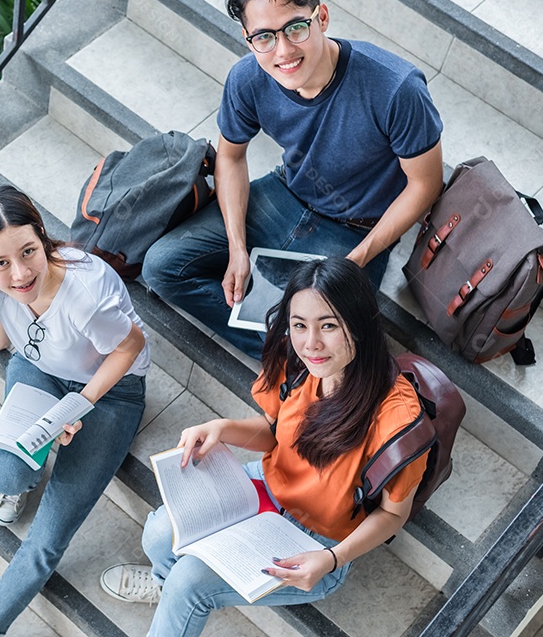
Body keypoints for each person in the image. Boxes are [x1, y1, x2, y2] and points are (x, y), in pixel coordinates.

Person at [100, 257, 428, 636]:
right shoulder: (296, 359)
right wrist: (222, 428)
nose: (312, 343)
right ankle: (167, 587)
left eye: (329, 326)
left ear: (359, 325)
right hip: (270, 487)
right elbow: (277, 432)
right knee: (159, 533)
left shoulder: (398, 419)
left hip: (319, 540)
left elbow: (392, 515)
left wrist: (330, 559)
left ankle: (180, 593)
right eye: (299, 325)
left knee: (190, 582)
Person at [141, 0, 444, 360]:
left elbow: (425, 184)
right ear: (249, 39)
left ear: (321, 18)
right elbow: (230, 158)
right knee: (161, 266)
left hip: (355, 230)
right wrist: (236, 248)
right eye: (264, 36)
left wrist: (357, 260)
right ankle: (283, 352)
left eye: (295, 28)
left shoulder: (395, 87)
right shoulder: (247, 78)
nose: (282, 51)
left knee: (339, 336)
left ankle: (299, 351)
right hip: (284, 194)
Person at [0, 185, 151, 637]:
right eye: (1, 262)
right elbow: (6, 336)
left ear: (42, 238)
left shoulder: (82, 293)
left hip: (110, 389)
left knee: (47, 536)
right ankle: (20, 474)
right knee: (7, 477)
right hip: (39, 368)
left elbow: (132, 345)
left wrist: (79, 406)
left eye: (28, 252)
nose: (21, 274)